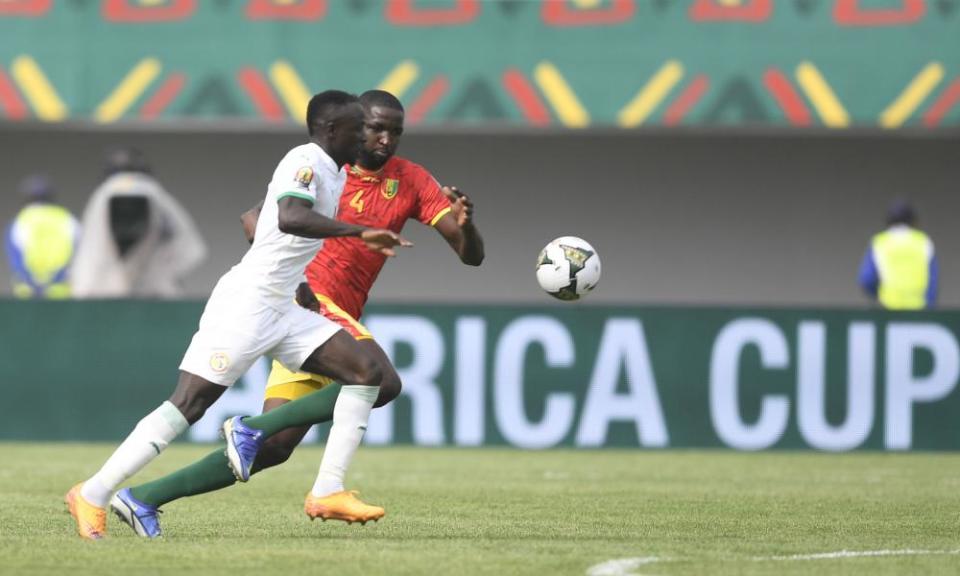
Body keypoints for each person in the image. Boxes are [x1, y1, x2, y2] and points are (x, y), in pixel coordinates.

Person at [109, 89, 485, 538]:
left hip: (327, 320)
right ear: (354, 126)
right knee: (380, 382)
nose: (385, 139)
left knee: (274, 448)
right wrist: (296, 281)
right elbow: (256, 219)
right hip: (309, 303)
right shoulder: (328, 168)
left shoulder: (411, 180)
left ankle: (143, 498)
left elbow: (470, 256)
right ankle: (283, 454)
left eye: (395, 131)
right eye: (376, 128)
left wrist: (466, 225)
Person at [70, 148, 207, 298]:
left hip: (139, 289)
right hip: (105, 290)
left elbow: (187, 245)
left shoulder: (147, 192)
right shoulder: (110, 193)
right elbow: (191, 249)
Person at [4, 175, 79, 299]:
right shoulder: (68, 219)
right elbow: (78, 253)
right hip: (61, 292)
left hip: (27, 294)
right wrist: (55, 280)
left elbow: (15, 258)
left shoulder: (19, 221)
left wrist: (33, 284)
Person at [858, 200, 938, 310]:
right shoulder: (924, 242)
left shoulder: (879, 242)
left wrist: (879, 297)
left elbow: (867, 279)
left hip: (888, 309)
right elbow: (933, 280)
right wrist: (928, 307)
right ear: (913, 221)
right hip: (919, 310)